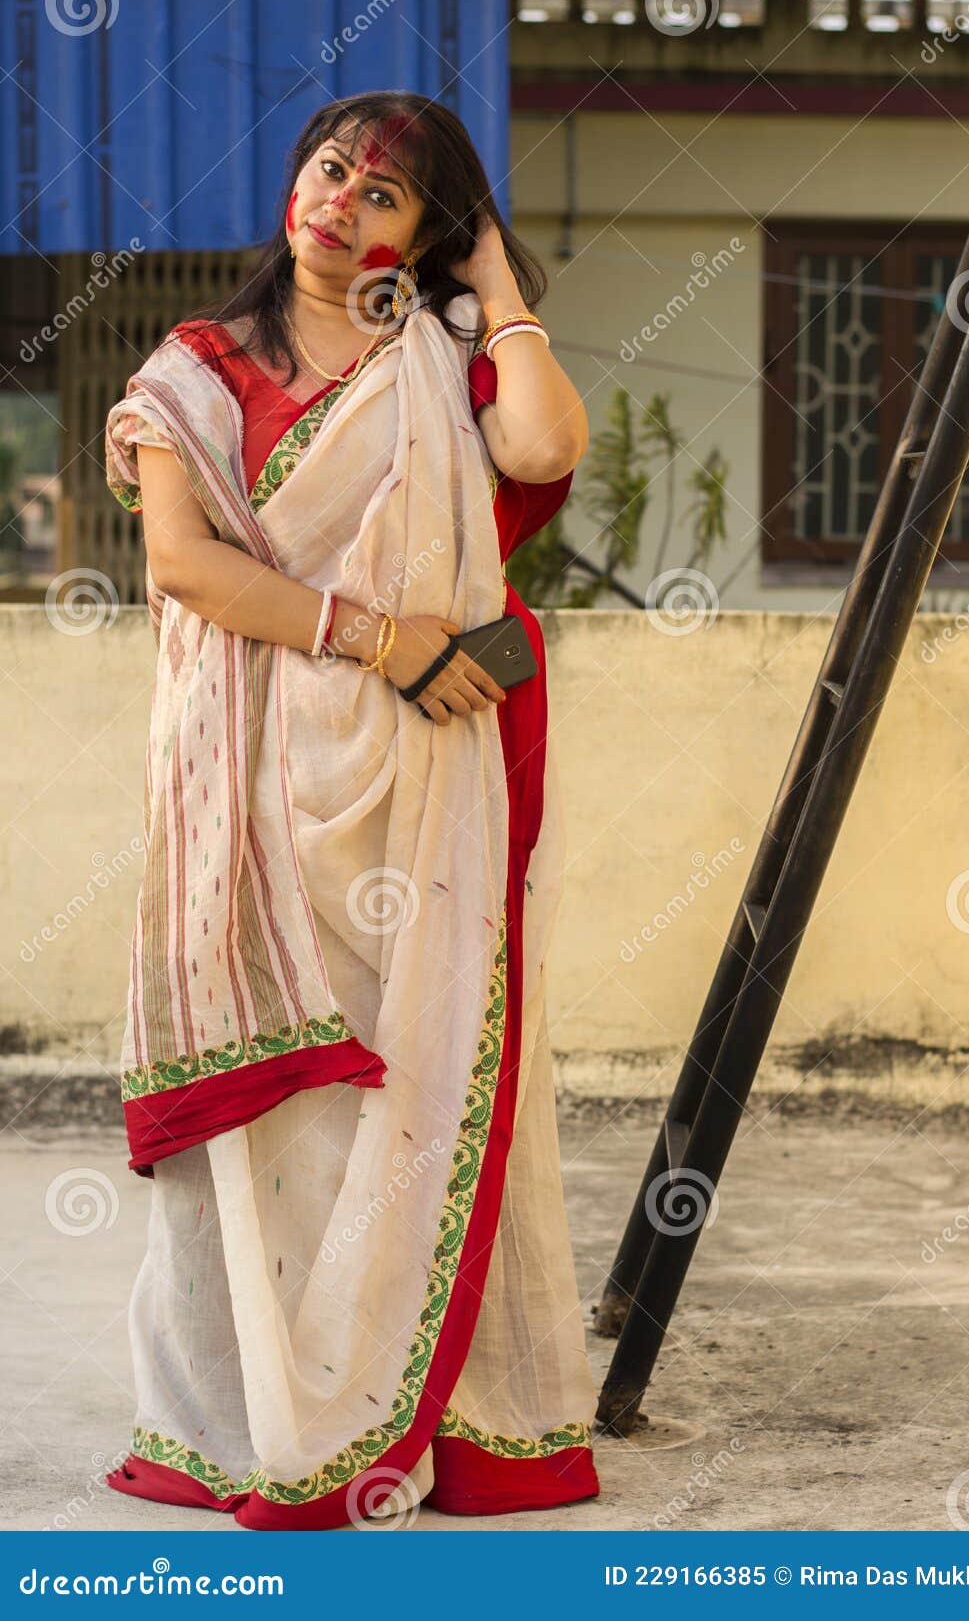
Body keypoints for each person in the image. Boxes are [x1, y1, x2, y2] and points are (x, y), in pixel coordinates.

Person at [101, 91, 601, 1530]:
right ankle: (268, 1412)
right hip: (253, 779)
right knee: (287, 1115)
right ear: (293, 183)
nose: (341, 203)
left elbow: (536, 447)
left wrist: (496, 290)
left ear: (428, 233)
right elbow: (189, 570)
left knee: (416, 1074)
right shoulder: (194, 370)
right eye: (330, 170)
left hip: (429, 782)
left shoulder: (437, 364)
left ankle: (420, 1405)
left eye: (386, 195)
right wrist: (386, 641)